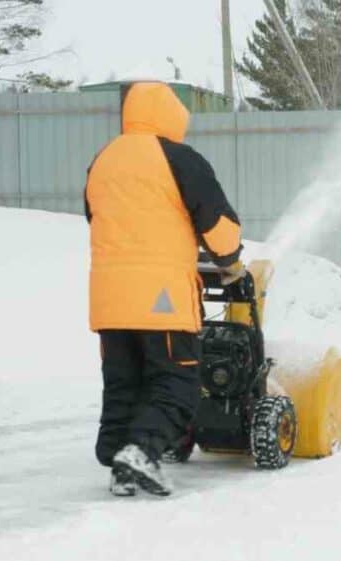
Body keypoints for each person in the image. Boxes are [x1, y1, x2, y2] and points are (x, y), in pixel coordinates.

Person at [85, 82, 244, 497]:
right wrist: (230, 262)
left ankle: (121, 463)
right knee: (177, 383)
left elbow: (96, 217)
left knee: (124, 382)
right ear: (173, 116)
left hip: (108, 299)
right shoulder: (179, 158)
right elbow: (217, 224)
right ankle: (142, 450)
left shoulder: (104, 159)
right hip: (161, 299)